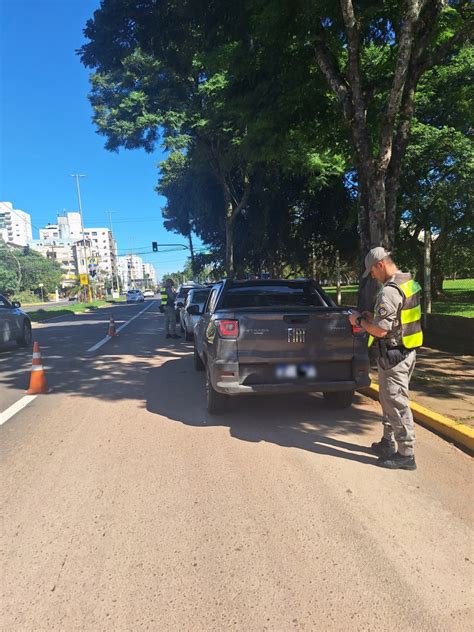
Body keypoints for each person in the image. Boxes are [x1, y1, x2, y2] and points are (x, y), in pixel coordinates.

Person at [349, 247, 423, 470]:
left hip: (393, 356)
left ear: (380, 265)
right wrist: (374, 317)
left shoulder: (388, 292)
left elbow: (381, 331)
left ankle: (406, 454)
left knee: (396, 402)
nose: (372, 276)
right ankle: (387, 442)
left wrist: (359, 322)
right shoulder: (410, 283)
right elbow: (397, 320)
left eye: (371, 271)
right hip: (406, 351)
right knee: (389, 400)